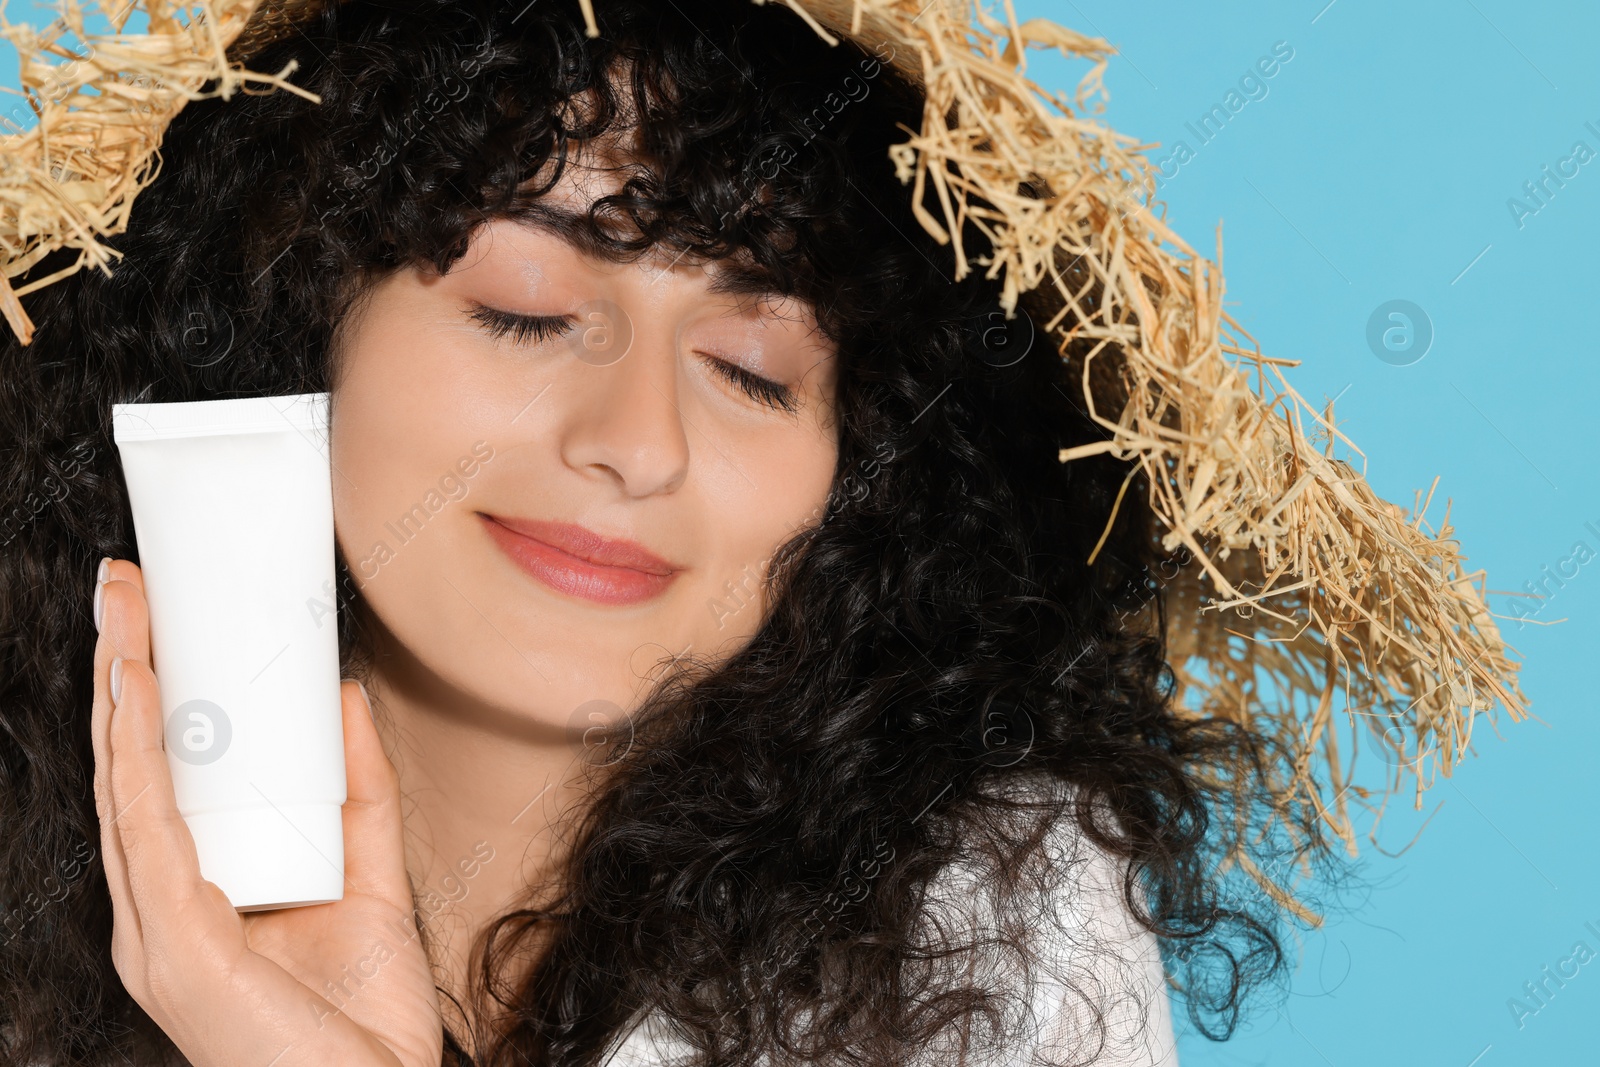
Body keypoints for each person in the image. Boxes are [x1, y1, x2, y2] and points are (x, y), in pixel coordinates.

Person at [1, 0, 1336, 1063]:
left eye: (757, 369)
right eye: (526, 307)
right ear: (296, 322)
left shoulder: (997, 917)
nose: (638, 443)